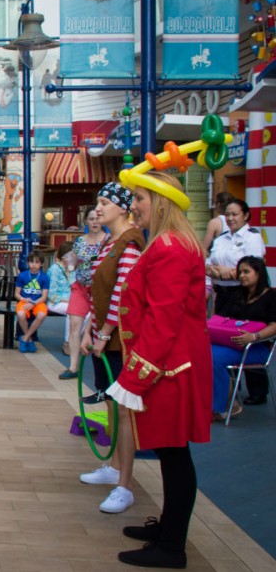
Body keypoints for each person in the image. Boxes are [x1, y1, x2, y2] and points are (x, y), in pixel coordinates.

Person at [109, 170, 211, 569]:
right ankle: (168, 528)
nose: (134, 205)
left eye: (139, 198)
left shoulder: (169, 247)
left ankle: (172, 546)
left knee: (174, 454)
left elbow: (162, 320)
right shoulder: (170, 243)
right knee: (172, 453)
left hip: (170, 367)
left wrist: (136, 376)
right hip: (170, 363)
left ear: (161, 201)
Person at [79, 183, 145, 515]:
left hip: (121, 340)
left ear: (122, 208)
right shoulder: (111, 243)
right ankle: (114, 467)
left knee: (123, 409)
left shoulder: (129, 244)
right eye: (99, 202)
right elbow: (99, 292)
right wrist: (90, 327)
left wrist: (103, 332)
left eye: (105, 202)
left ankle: (125, 484)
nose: (99, 208)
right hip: (105, 337)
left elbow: (124, 292)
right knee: (109, 401)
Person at [208, 256, 276, 420]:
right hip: (230, 344)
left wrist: (254, 336)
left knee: (213, 358)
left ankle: (220, 408)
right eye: (240, 272)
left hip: (256, 347)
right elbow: (219, 319)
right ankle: (226, 399)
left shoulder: (272, 296)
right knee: (201, 353)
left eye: (246, 272)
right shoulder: (237, 295)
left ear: (258, 273)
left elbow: (274, 326)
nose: (242, 276)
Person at [67, 208, 107, 382]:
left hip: (99, 289)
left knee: (97, 326)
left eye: (97, 218)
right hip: (80, 286)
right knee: (75, 325)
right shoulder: (79, 241)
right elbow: (74, 262)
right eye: (91, 219)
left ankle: (102, 362)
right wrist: (71, 263)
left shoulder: (108, 241)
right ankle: (73, 366)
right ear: (85, 221)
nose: (95, 222)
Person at [205, 199, 265, 314]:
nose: (230, 218)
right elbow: (207, 264)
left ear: (246, 215)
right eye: (227, 215)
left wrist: (227, 273)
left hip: (242, 294)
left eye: (234, 214)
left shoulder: (252, 237)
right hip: (220, 295)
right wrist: (216, 271)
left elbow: (255, 269)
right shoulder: (221, 238)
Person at [47, 242, 77, 377]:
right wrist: (70, 300)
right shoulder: (54, 269)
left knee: (86, 313)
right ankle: (68, 342)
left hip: (71, 301)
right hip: (55, 301)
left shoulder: (74, 269)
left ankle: (74, 340)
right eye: (68, 255)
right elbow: (52, 294)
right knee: (73, 311)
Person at [14, 251, 49, 353]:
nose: (34, 265)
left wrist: (33, 303)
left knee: (42, 315)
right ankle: (28, 339)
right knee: (20, 314)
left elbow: (44, 296)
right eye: (31, 262)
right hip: (24, 301)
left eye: (37, 262)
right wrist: (22, 299)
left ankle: (25, 338)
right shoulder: (22, 276)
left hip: (37, 302)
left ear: (41, 264)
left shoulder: (44, 277)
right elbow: (16, 293)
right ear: (28, 263)